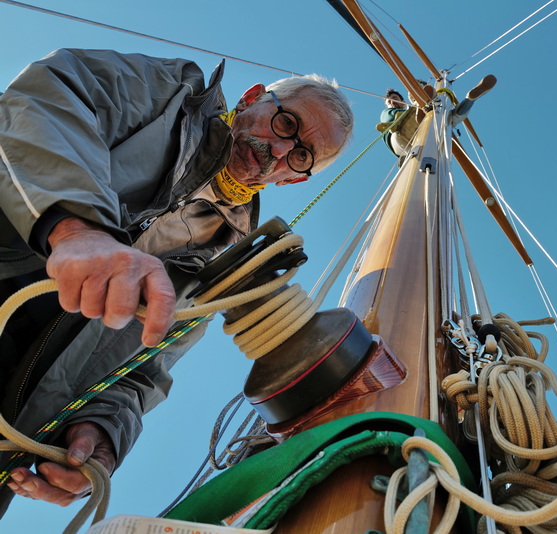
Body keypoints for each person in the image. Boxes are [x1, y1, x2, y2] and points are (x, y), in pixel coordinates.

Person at [0, 48, 353, 514]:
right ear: (250, 99)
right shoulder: (170, 94)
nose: (282, 150)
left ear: (292, 181)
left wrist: (103, 440)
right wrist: (77, 229)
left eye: (302, 155)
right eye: (286, 124)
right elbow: (47, 98)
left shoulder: (217, 273)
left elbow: (140, 376)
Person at [377, 75, 497, 159]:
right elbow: (390, 119)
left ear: (402, 100)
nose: (392, 102)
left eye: (395, 99)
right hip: (402, 136)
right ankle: (424, 102)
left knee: (447, 118)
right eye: (389, 101)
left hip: (425, 132)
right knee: (422, 98)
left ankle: (469, 99)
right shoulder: (387, 113)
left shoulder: (402, 108)